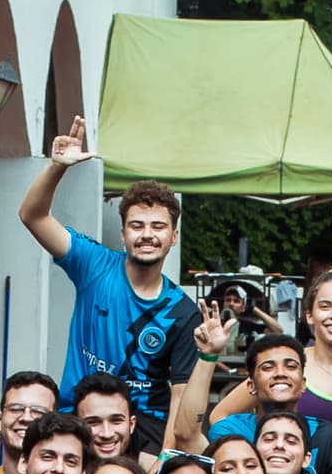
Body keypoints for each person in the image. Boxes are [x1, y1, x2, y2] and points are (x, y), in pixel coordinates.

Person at [19, 118, 198, 417]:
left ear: (174, 236)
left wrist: (162, 460)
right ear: (123, 233)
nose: (147, 235)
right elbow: (32, 216)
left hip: (142, 428)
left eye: (158, 226)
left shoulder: (182, 312)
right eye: (137, 225)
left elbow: (180, 401)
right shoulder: (94, 264)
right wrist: (57, 167)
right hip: (77, 418)